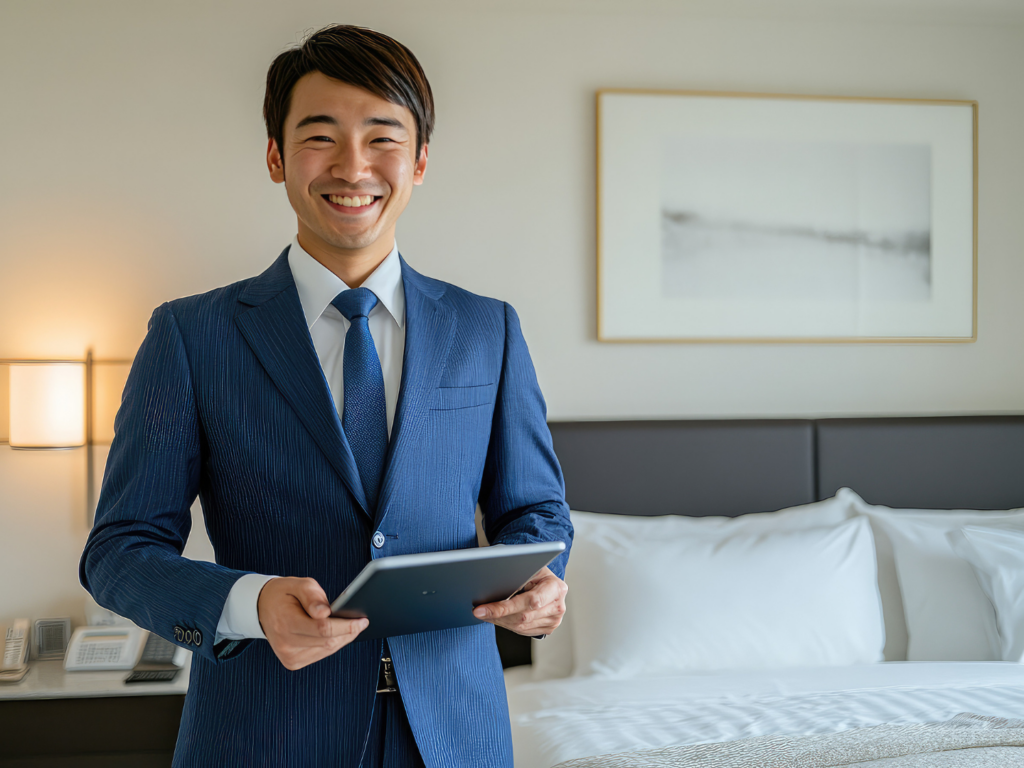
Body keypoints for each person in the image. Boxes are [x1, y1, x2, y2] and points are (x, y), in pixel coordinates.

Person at [80, 24, 572, 768]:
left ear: (421, 160)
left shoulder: (488, 330)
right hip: (261, 735)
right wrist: (249, 603)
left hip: (454, 734)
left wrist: (541, 583)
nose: (353, 166)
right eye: (321, 136)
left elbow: (536, 511)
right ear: (276, 157)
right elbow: (118, 552)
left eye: (383, 138)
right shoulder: (191, 336)